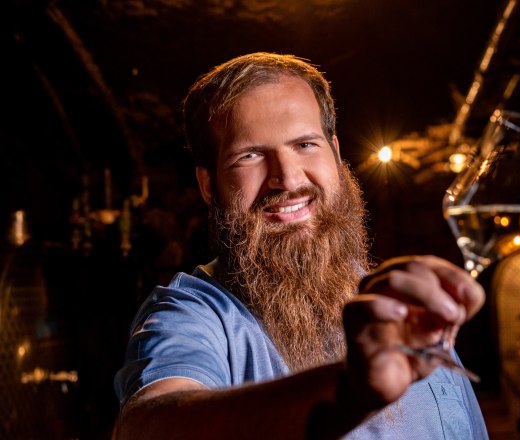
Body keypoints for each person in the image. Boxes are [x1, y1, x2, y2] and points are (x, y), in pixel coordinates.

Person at [113, 52, 488, 439]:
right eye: (251, 155)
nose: (288, 179)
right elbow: (148, 425)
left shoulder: (408, 311)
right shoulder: (193, 314)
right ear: (209, 185)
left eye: (306, 144)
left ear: (338, 155)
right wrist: (349, 389)